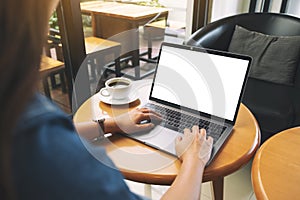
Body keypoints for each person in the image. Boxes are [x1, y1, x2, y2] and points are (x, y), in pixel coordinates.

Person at [0, 0, 213, 199]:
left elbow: (46, 133)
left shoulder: (17, 111)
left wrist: (114, 124)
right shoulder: (47, 153)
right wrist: (194, 160)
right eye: (49, 15)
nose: (47, 30)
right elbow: (46, 141)